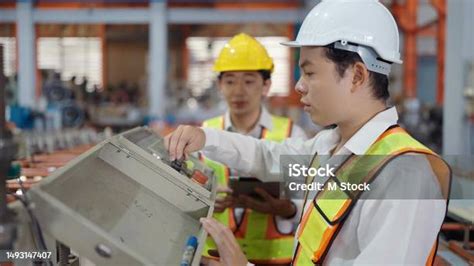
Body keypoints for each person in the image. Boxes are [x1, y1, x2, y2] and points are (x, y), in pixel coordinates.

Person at [165, 0, 451, 265]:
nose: (299, 86)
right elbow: (267, 155)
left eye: (310, 73)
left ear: (357, 75)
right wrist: (206, 137)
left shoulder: (403, 174)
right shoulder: (330, 147)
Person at [200, 33, 307, 265]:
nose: (238, 91)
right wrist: (204, 201)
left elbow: (308, 206)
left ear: (266, 85)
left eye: (249, 81)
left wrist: (286, 208)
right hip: (214, 260)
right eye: (230, 81)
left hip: (276, 260)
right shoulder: (203, 136)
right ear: (219, 85)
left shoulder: (292, 135)